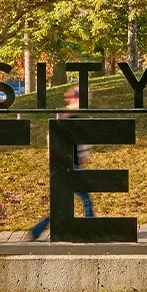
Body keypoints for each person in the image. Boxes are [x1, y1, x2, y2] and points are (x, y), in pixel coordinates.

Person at [26, 86, 93, 241]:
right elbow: (83, 141)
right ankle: (91, 228)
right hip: (70, 165)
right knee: (84, 198)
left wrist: (51, 152)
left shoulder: (64, 117)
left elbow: (53, 137)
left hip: (64, 164)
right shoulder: (69, 117)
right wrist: (83, 154)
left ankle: (37, 230)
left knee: (64, 202)